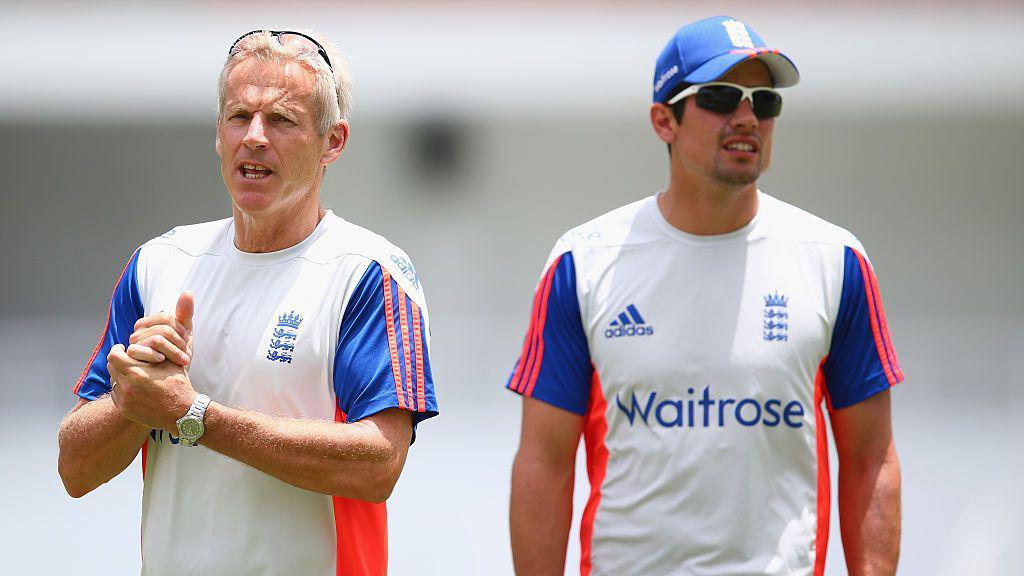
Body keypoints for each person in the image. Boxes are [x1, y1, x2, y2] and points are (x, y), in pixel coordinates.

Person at [507, 16, 902, 576]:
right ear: (663, 121)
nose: (747, 117)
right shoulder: (584, 262)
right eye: (720, 97)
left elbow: (871, 458)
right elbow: (544, 463)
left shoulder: (835, 260)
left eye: (764, 102)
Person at [57, 29, 438, 575]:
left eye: (281, 120)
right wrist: (133, 400)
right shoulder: (158, 262)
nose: (255, 137)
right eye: (239, 117)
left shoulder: (368, 271)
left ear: (333, 141)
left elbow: (378, 464)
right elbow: (75, 469)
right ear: (219, 132)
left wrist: (193, 415)